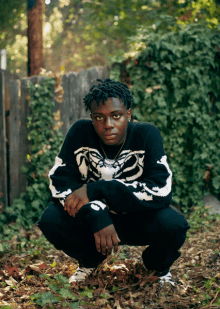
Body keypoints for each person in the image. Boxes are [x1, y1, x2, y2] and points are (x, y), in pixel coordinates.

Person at [37, 78, 189, 285]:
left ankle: (158, 267)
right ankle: (90, 261)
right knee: (50, 218)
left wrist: (95, 189)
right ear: (92, 118)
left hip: (137, 218)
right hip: (94, 222)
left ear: (128, 114)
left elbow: (160, 189)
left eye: (116, 116)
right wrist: (96, 212)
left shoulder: (146, 134)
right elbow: (59, 180)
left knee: (175, 224)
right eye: (99, 117)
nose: (108, 125)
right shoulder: (80, 133)